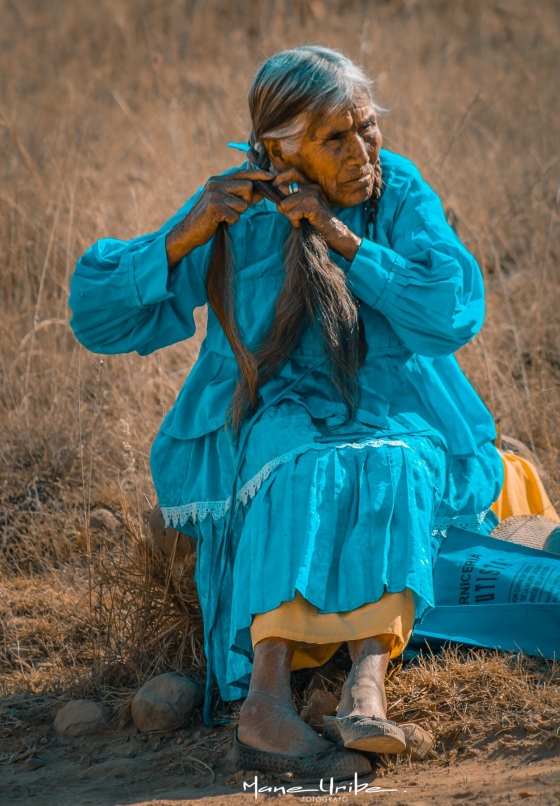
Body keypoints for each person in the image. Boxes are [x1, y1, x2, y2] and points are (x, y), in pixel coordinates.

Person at [69, 46, 505, 780]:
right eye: (336, 137)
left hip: (390, 402)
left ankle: (365, 685)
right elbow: (95, 315)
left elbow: (452, 310)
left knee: (394, 462)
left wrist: (345, 240)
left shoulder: (395, 191)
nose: (363, 150)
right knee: (288, 465)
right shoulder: (235, 209)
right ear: (280, 149)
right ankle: (265, 705)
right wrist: (183, 235)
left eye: (367, 126)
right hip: (273, 408)